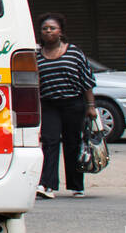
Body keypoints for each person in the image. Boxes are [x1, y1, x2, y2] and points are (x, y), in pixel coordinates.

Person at [36, 13, 97, 199]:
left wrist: (91, 106)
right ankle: (47, 186)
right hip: (49, 105)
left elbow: (87, 81)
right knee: (50, 142)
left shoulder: (74, 53)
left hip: (73, 104)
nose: (48, 31)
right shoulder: (35, 55)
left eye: (52, 28)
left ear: (61, 32)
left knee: (73, 144)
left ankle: (77, 186)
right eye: (45, 28)